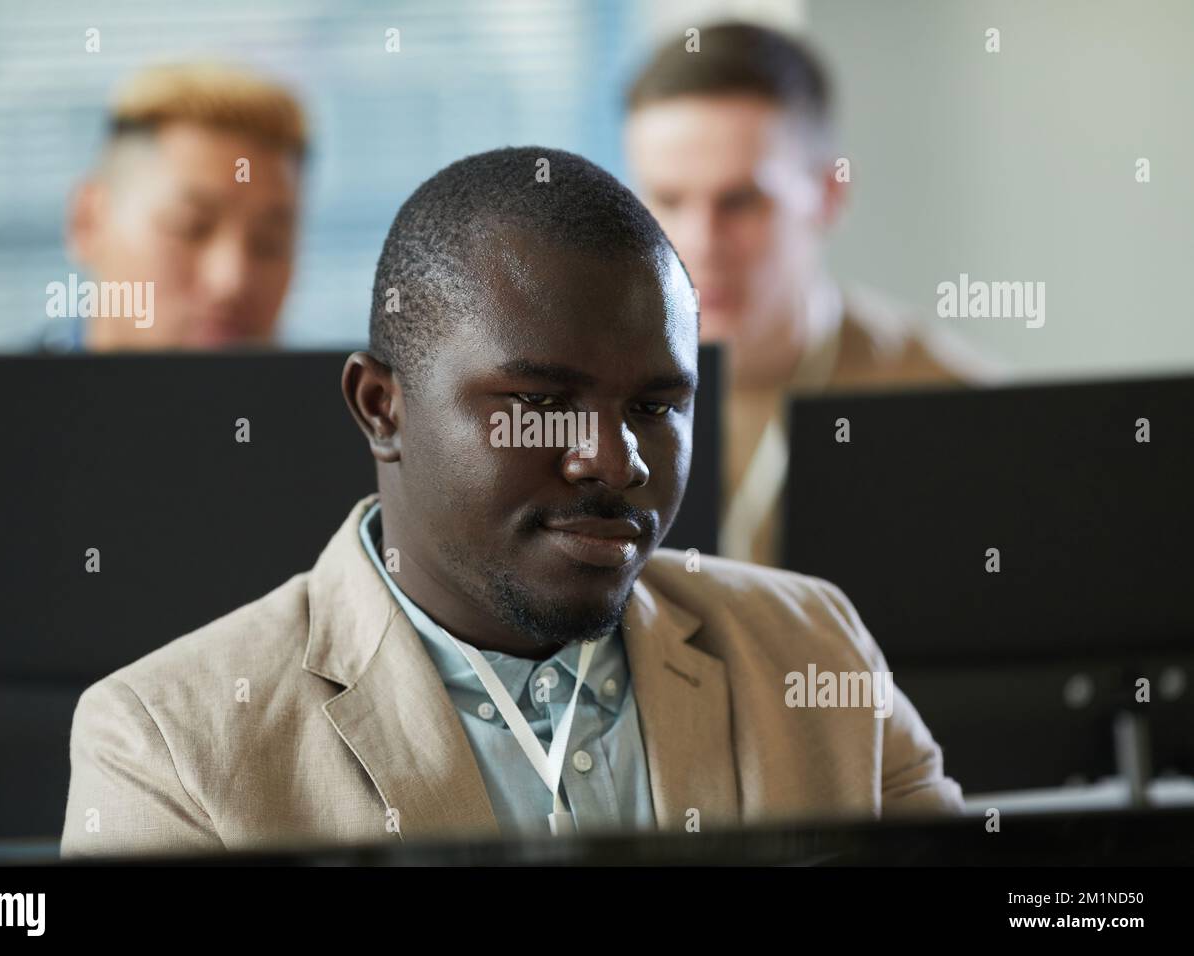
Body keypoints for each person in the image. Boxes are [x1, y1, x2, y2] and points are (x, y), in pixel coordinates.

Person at [61, 147, 962, 856]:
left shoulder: (808, 645)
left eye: (656, 407)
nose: (615, 461)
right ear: (383, 407)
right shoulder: (168, 743)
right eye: (539, 405)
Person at [624, 22, 1003, 566]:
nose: (699, 245)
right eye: (668, 199)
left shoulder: (956, 409)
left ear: (827, 197)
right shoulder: (595, 406)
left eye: (741, 201)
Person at [39, 62, 307, 352]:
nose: (231, 280)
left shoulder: (332, 394)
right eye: (190, 228)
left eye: (270, 243)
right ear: (87, 221)